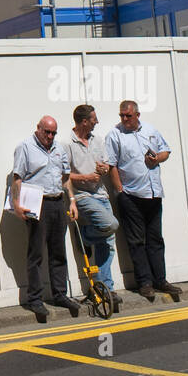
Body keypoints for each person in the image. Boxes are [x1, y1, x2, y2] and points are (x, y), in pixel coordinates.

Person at [105, 99, 181, 302]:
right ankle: (145, 283)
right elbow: (111, 165)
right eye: (121, 115)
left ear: (137, 115)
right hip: (131, 195)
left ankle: (160, 280)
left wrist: (158, 158)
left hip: (154, 194)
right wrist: (119, 191)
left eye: (127, 116)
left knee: (156, 239)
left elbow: (166, 151)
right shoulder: (115, 135)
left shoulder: (150, 130)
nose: (123, 119)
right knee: (137, 241)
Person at [11, 115, 79, 322]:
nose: (49, 136)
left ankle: (60, 294)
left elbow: (65, 177)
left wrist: (72, 201)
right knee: (36, 253)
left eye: (53, 133)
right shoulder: (25, 147)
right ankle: (35, 299)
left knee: (58, 251)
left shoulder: (59, 149)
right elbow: (17, 178)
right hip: (37, 203)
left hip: (57, 202)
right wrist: (16, 205)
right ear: (38, 128)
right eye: (46, 132)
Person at [65, 104, 121, 312]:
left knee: (107, 242)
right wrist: (86, 177)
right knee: (111, 225)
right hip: (83, 196)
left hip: (101, 193)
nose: (97, 122)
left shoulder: (98, 140)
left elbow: (106, 165)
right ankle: (87, 235)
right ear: (84, 121)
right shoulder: (67, 144)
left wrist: (103, 169)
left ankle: (106, 287)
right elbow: (64, 175)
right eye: (94, 119)